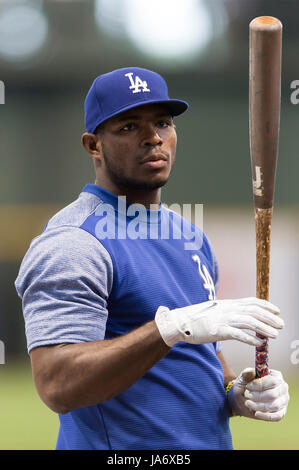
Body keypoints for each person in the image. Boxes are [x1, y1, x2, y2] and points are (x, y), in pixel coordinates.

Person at [15, 67, 289, 450]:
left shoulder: (190, 237)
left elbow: (200, 356)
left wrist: (236, 392)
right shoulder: (74, 242)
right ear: (93, 145)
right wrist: (170, 327)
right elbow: (57, 384)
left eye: (163, 122)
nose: (153, 138)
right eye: (129, 127)